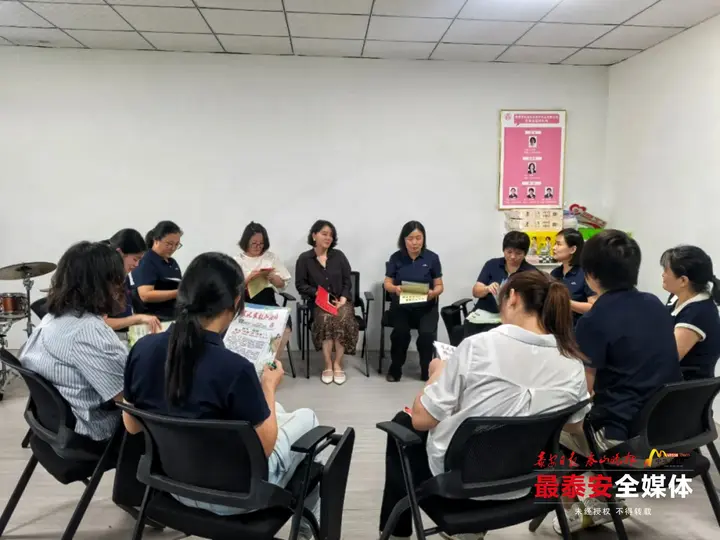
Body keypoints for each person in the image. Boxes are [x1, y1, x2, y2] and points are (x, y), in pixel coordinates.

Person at [378, 271, 590, 540]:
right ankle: (471, 531)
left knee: (403, 423)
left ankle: (397, 533)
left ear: (512, 298)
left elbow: (421, 420)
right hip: (527, 482)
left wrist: (437, 375)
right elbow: (574, 425)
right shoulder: (571, 362)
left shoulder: (478, 347)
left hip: (462, 488)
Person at [122, 252, 320, 540]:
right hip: (236, 497)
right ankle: (304, 531)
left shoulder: (142, 349)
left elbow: (132, 426)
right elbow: (264, 447)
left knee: (274, 410)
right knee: (308, 418)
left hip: (172, 485)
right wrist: (268, 385)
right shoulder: (235, 368)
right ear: (236, 302)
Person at [554, 230, 682, 533]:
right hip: (672, 433)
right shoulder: (655, 304)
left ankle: (581, 509)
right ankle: (600, 501)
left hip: (628, 440)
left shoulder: (594, 320)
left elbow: (582, 392)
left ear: (590, 275)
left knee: (552, 431)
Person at [21, 241, 128, 443]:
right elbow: (126, 397)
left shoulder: (51, 318)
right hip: (95, 432)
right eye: (117, 281)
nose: (120, 287)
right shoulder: (87, 330)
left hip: (53, 427)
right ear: (101, 283)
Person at [295, 220, 359, 385]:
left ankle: (338, 363)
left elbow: (347, 280)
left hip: (340, 301)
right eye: (324, 234)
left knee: (342, 318)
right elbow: (300, 285)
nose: (328, 238)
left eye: (331, 235)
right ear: (314, 235)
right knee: (325, 319)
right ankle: (327, 364)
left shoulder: (339, 256)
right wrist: (317, 293)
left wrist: (343, 297)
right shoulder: (304, 259)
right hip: (318, 302)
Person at [383, 221, 444, 382]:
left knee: (426, 335)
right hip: (402, 306)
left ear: (424, 239)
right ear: (403, 240)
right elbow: (387, 283)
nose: (415, 242)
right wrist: (395, 288)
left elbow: (439, 285)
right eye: (410, 239)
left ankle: (426, 369)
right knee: (400, 333)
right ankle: (395, 368)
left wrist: (433, 293)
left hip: (426, 307)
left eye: (418, 238)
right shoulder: (396, 258)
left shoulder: (432, 258)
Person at [235, 221, 293, 360]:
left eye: (261, 244)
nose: (258, 247)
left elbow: (283, 284)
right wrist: (248, 279)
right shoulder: (237, 260)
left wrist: (275, 279)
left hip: (268, 303)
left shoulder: (270, 257)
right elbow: (232, 289)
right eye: (254, 243)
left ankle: (271, 363)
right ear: (246, 242)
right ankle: (249, 363)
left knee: (285, 324)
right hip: (245, 304)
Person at [463, 231, 537, 340]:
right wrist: (487, 289)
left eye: (518, 253)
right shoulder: (492, 264)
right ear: (503, 250)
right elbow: (476, 292)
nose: (513, 256)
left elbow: (533, 302)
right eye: (509, 252)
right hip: (484, 314)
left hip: (511, 320)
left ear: (525, 253)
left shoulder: (531, 273)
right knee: (472, 336)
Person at [661, 245, 720, 380]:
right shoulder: (676, 298)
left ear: (683, 280)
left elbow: (666, 359)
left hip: (682, 387)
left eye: (666, 270)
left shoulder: (698, 313)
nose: (663, 275)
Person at [104, 229, 162, 333]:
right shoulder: (102, 280)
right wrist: (137, 319)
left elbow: (126, 314)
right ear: (119, 253)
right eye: (135, 259)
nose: (137, 265)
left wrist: (142, 319)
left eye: (140, 260)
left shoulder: (123, 277)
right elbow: (101, 323)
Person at [133, 220, 183, 320]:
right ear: (156, 240)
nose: (173, 248)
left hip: (172, 317)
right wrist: (178, 293)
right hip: (153, 320)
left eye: (177, 244)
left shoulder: (172, 263)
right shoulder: (146, 261)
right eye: (169, 244)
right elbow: (145, 295)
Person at [551, 229, 596, 325]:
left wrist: (565, 302)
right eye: (555, 244)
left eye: (558, 244)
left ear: (572, 249)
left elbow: (593, 307)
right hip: (557, 328)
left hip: (579, 329)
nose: (554, 248)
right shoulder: (555, 273)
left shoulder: (586, 274)